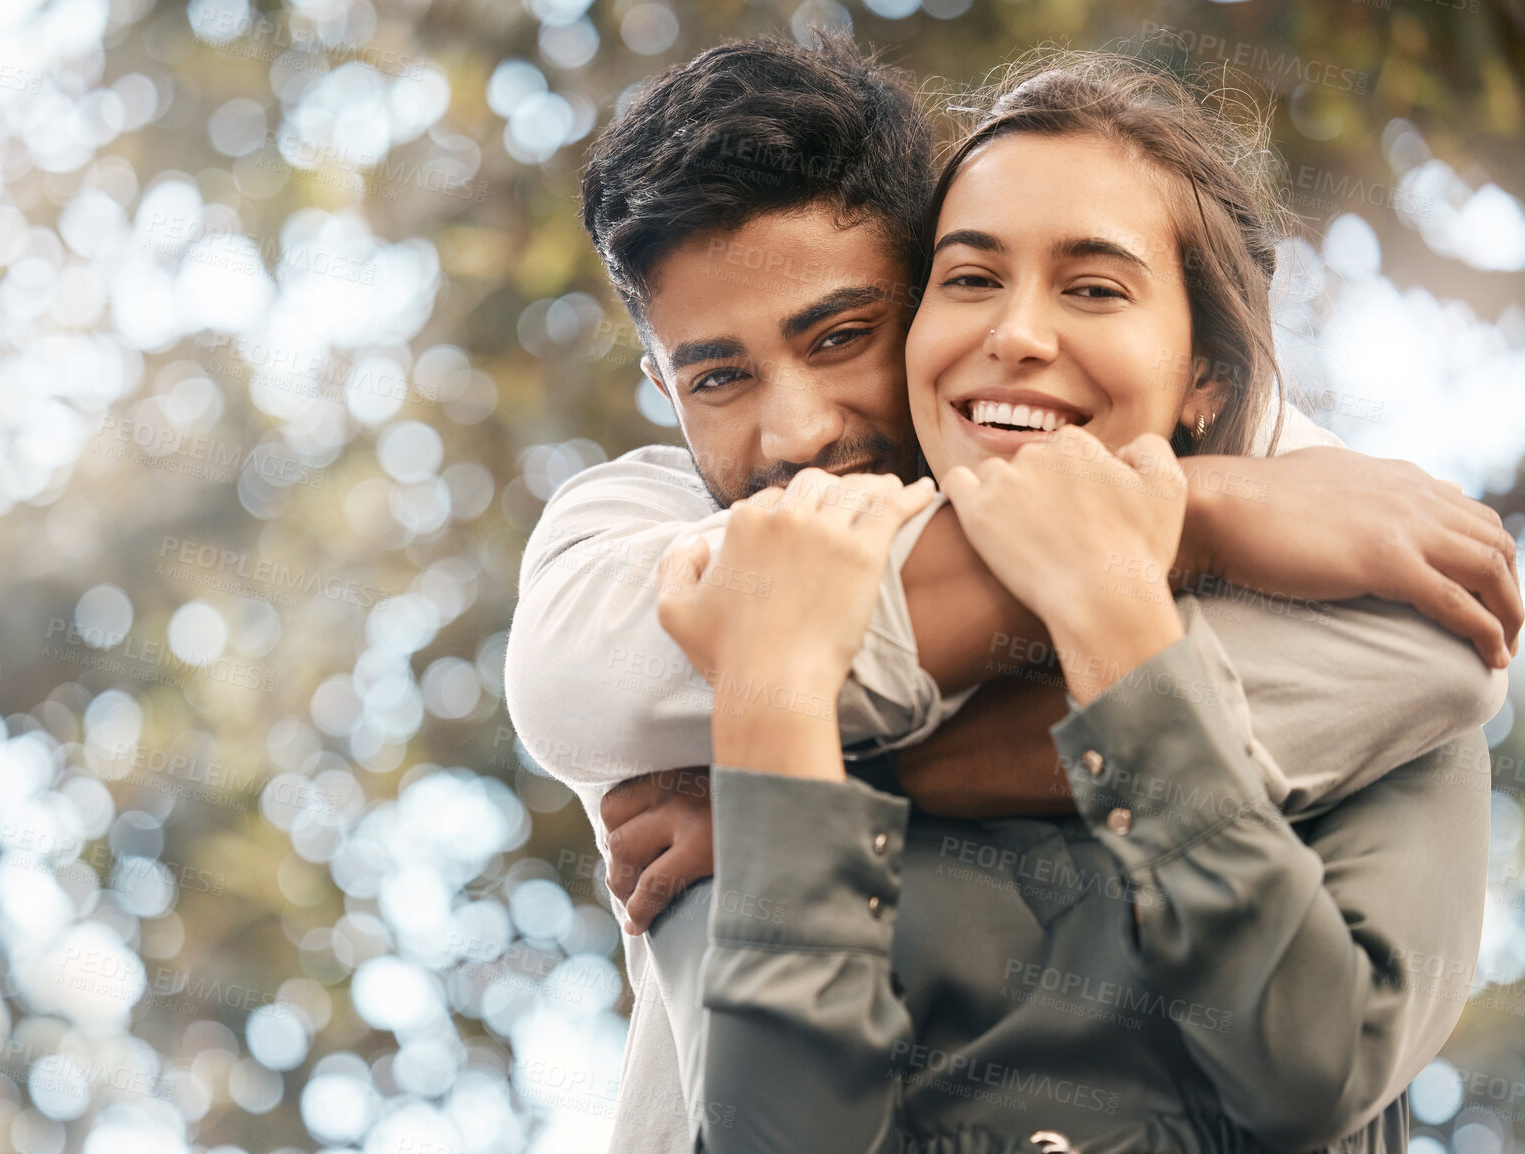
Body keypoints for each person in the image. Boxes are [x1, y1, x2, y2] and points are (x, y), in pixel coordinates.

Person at [502, 32, 1519, 1152]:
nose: (796, 434)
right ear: (660, 381)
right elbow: (566, 685)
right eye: (718, 375)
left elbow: (1441, 634)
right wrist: (1197, 515)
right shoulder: (656, 528)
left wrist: (776, 778)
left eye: (842, 335)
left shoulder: (1301, 491)